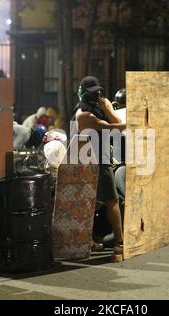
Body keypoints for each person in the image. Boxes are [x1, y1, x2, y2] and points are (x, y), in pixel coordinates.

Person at [73, 76, 126, 255]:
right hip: (94, 161)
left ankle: (87, 241)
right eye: (92, 93)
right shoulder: (84, 114)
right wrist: (134, 124)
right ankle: (120, 241)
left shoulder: (97, 108)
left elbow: (115, 120)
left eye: (97, 93)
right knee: (112, 200)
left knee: (91, 203)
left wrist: (107, 108)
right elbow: (114, 128)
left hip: (100, 158)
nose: (96, 96)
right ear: (83, 94)